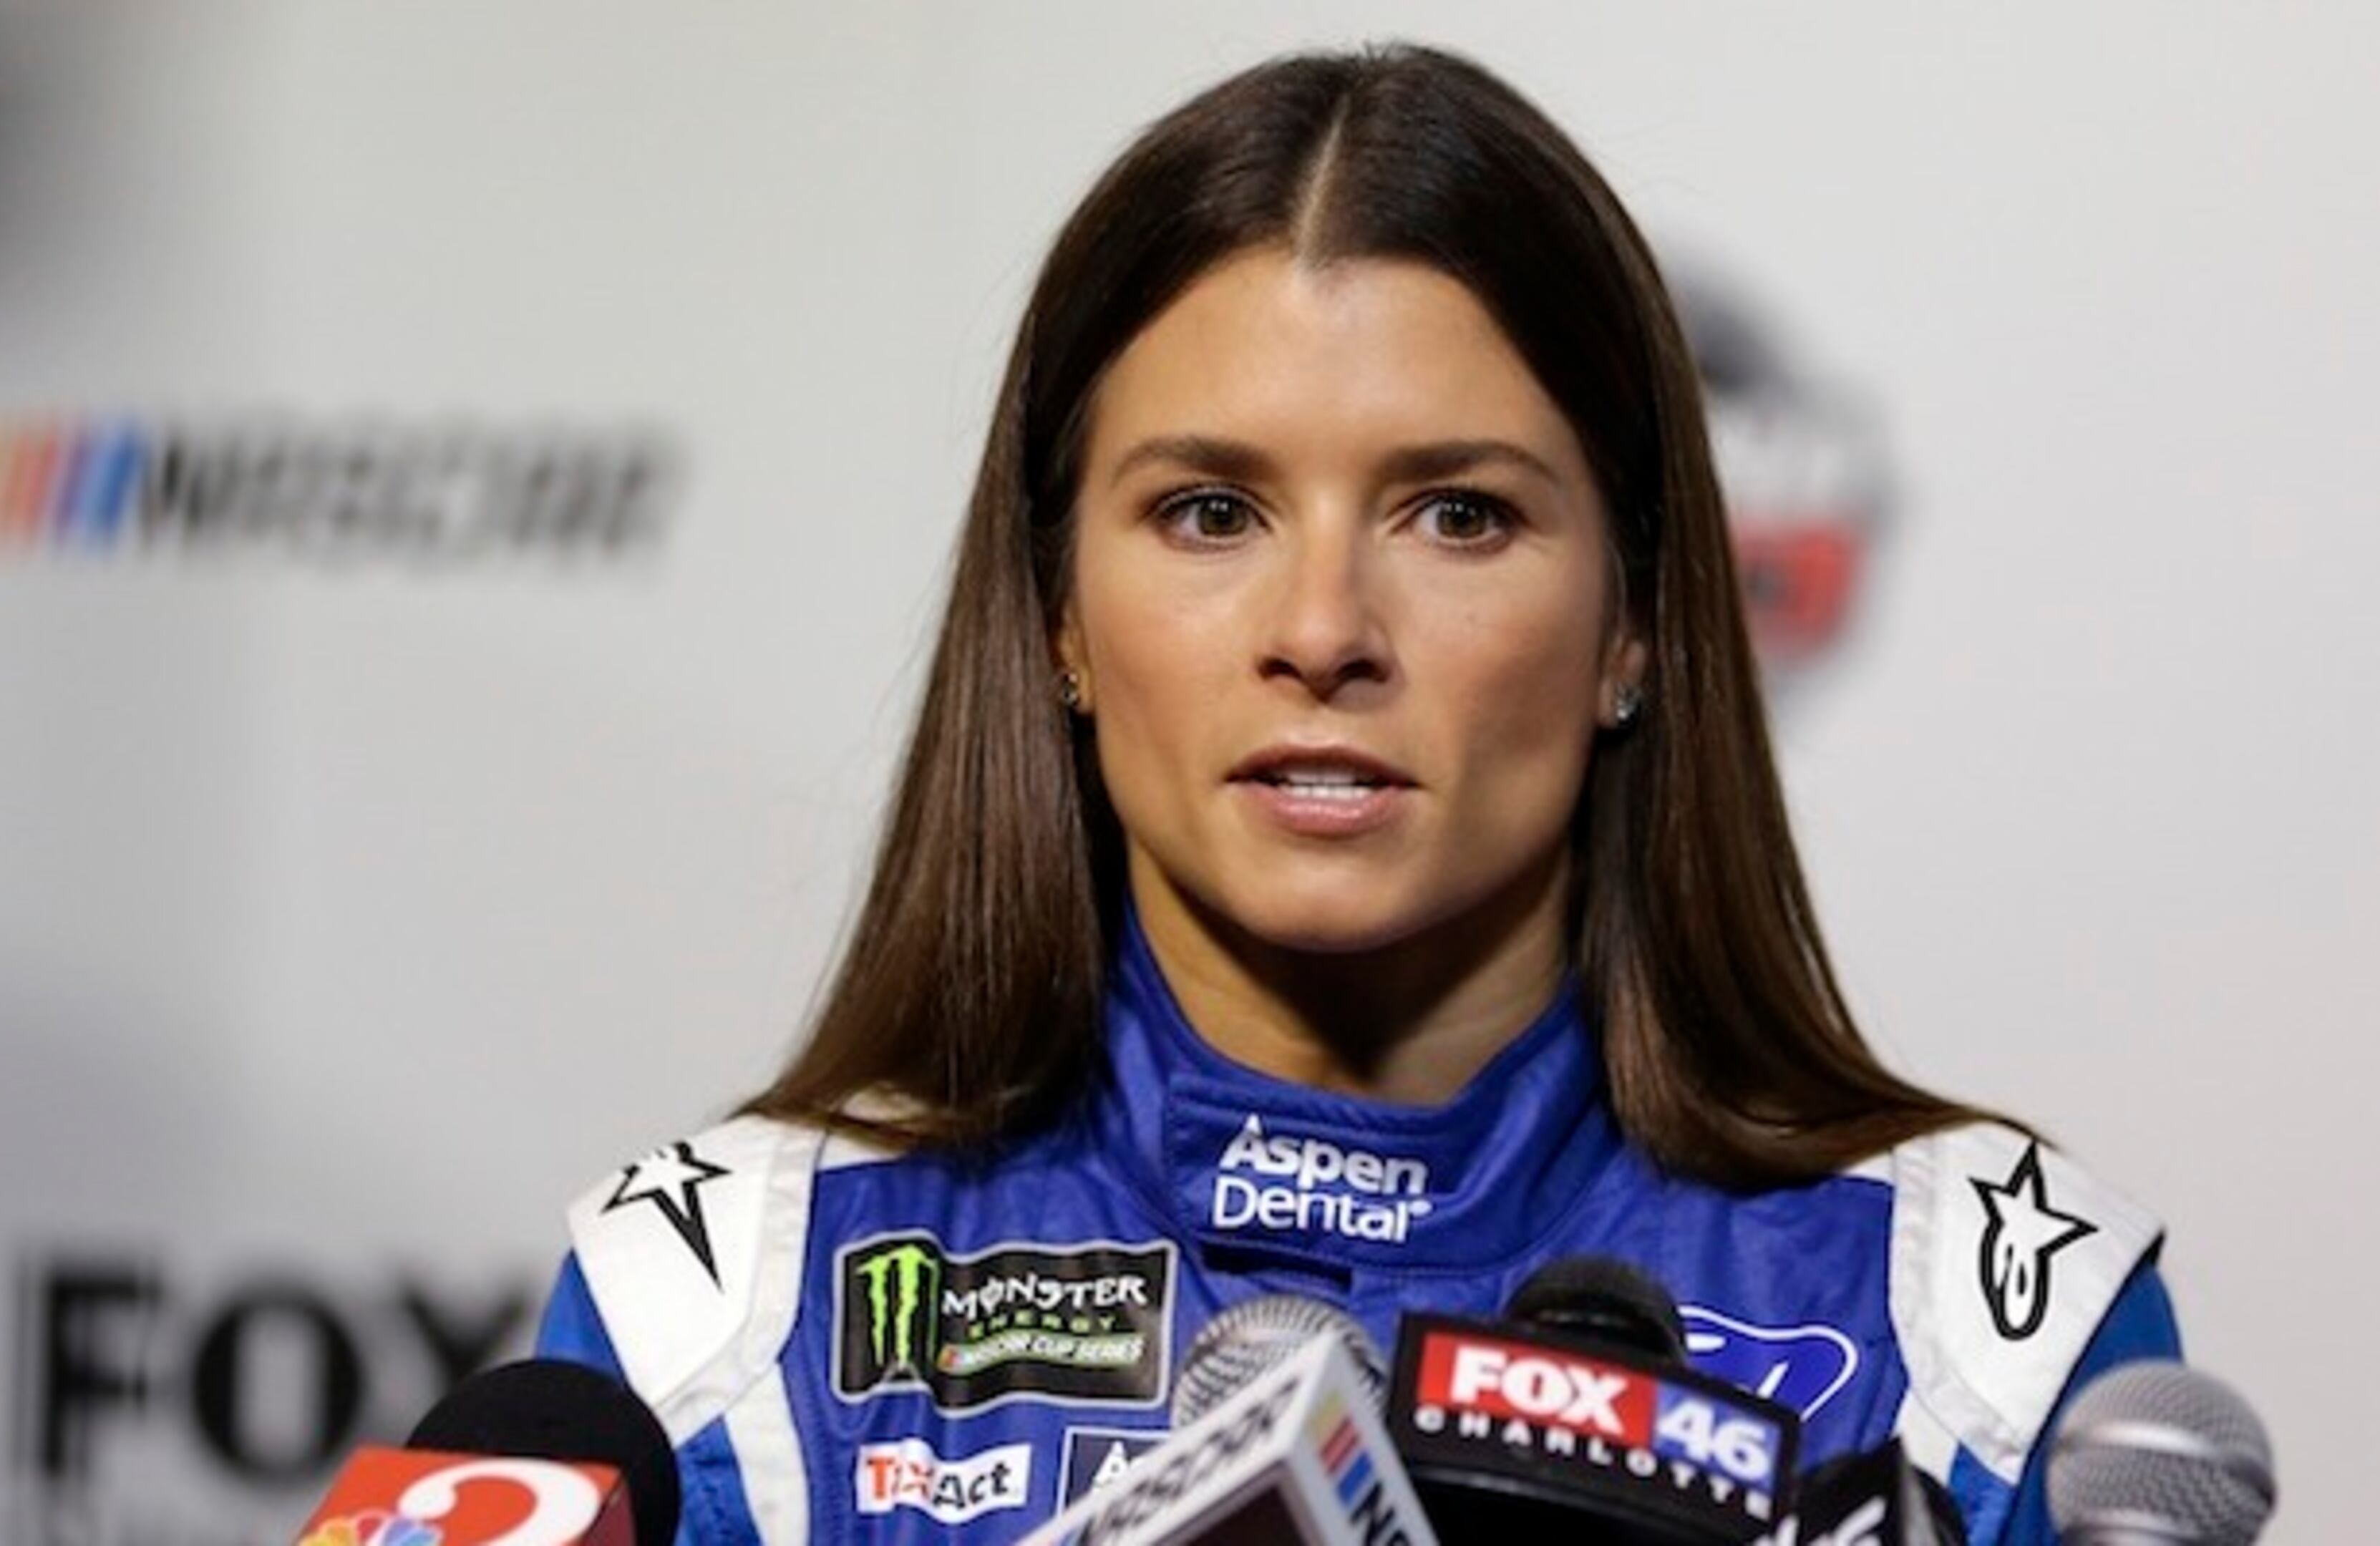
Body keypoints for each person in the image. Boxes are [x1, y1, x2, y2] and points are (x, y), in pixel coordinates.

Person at [537, 42, 2179, 1545]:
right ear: (1057, 618)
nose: (1322, 633)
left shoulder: (1971, 1326)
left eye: (1457, 516)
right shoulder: (718, 1323)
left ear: (1634, 624)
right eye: (1208, 513)